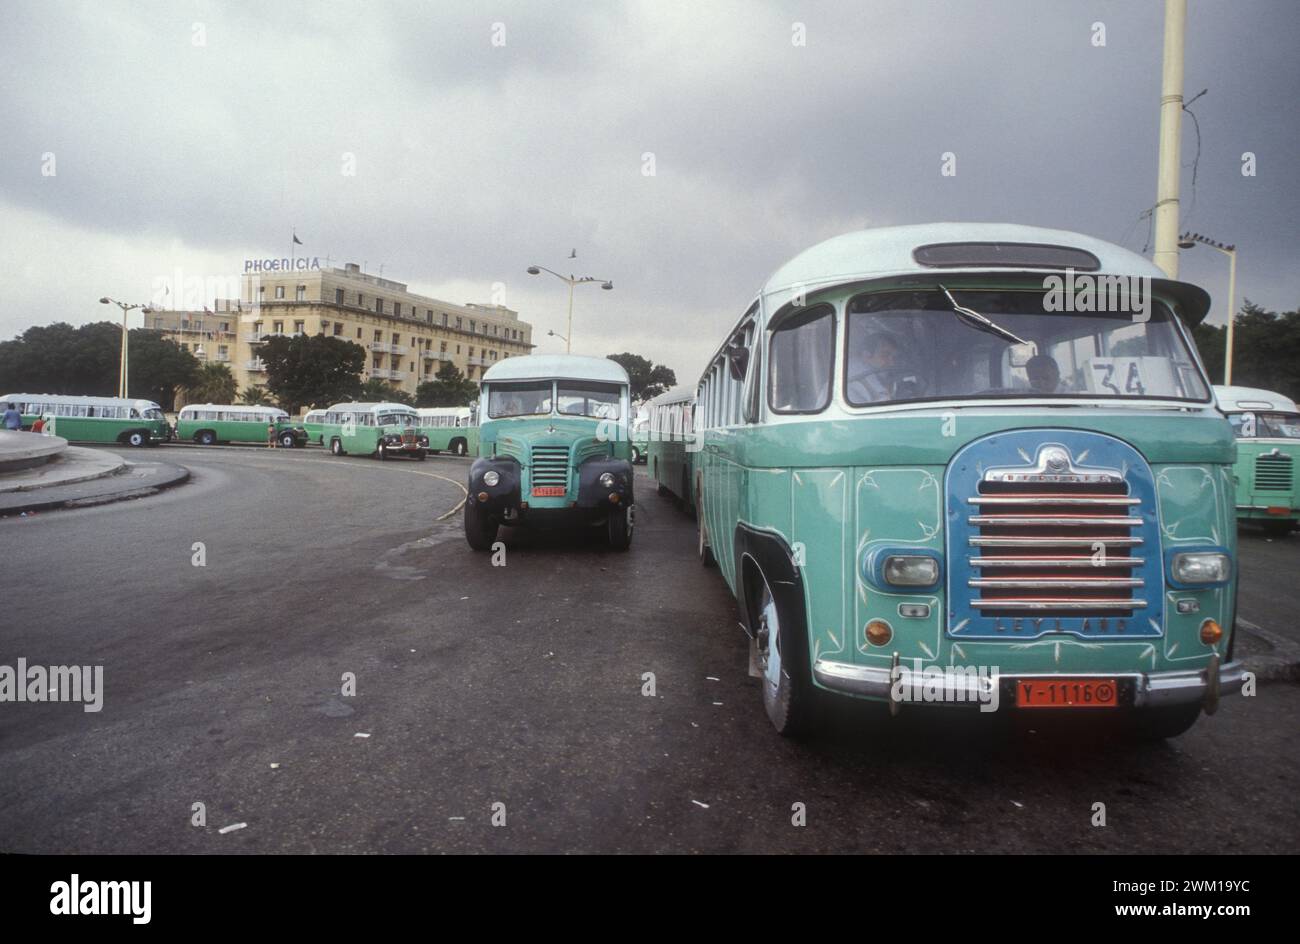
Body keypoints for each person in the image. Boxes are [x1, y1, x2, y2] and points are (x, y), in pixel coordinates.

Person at [847, 333, 904, 403]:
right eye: (885, 355)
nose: (891, 363)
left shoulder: (877, 372)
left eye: (893, 357)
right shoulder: (856, 369)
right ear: (866, 355)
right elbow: (884, 402)